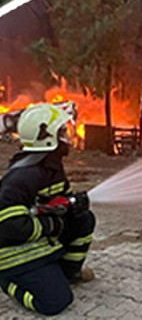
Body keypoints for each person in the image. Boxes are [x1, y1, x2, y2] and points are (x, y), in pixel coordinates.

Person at [0, 103, 95, 315]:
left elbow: (57, 201)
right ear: (47, 137)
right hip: (15, 252)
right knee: (55, 302)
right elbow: (10, 228)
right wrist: (54, 224)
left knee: (84, 219)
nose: (67, 137)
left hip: (40, 237)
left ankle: (69, 273)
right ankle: (8, 282)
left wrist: (73, 204)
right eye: (62, 132)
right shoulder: (21, 178)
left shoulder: (51, 167)